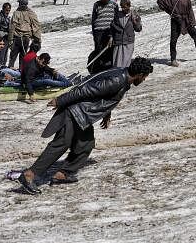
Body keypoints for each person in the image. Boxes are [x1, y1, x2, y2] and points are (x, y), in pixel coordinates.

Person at [18, 58, 153, 193]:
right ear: (140, 74)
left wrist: (106, 114)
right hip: (75, 112)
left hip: (83, 115)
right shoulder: (117, 80)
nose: (144, 80)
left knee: (85, 145)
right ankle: (29, 175)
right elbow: (85, 90)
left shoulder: (123, 77)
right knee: (61, 143)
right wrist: (60, 100)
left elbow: (106, 97)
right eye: (145, 77)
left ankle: (62, 174)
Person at [89, 0, 118, 74]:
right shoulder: (96, 5)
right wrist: (94, 33)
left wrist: (113, 33)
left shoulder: (114, 5)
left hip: (109, 31)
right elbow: (93, 19)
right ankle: (98, 70)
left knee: (109, 50)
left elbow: (116, 19)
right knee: (98, 51)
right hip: (98, 32)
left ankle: (109, 70)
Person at [7, 0, 41, 68]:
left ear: (20, 4)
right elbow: (36, 26)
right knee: (23, 56)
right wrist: (37, 39)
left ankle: (10, 72)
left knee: (13, 56)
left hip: (17, 38)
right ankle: (21, 71)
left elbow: (12, 27)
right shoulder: (31, 13)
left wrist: (10, 39)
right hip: (26, 38)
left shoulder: (16, 13)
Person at [110, 0, 142, 70]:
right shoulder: (117, 15)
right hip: (118, 41)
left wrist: (136, 21)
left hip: (128, 42)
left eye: (125, 7)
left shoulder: (134, 15)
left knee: (126, 61)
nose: (123, 9)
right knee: (117, 61)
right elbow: (112, 27)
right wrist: (111, 37)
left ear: (129, 6)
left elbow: (138, 29)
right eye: (122, 7)